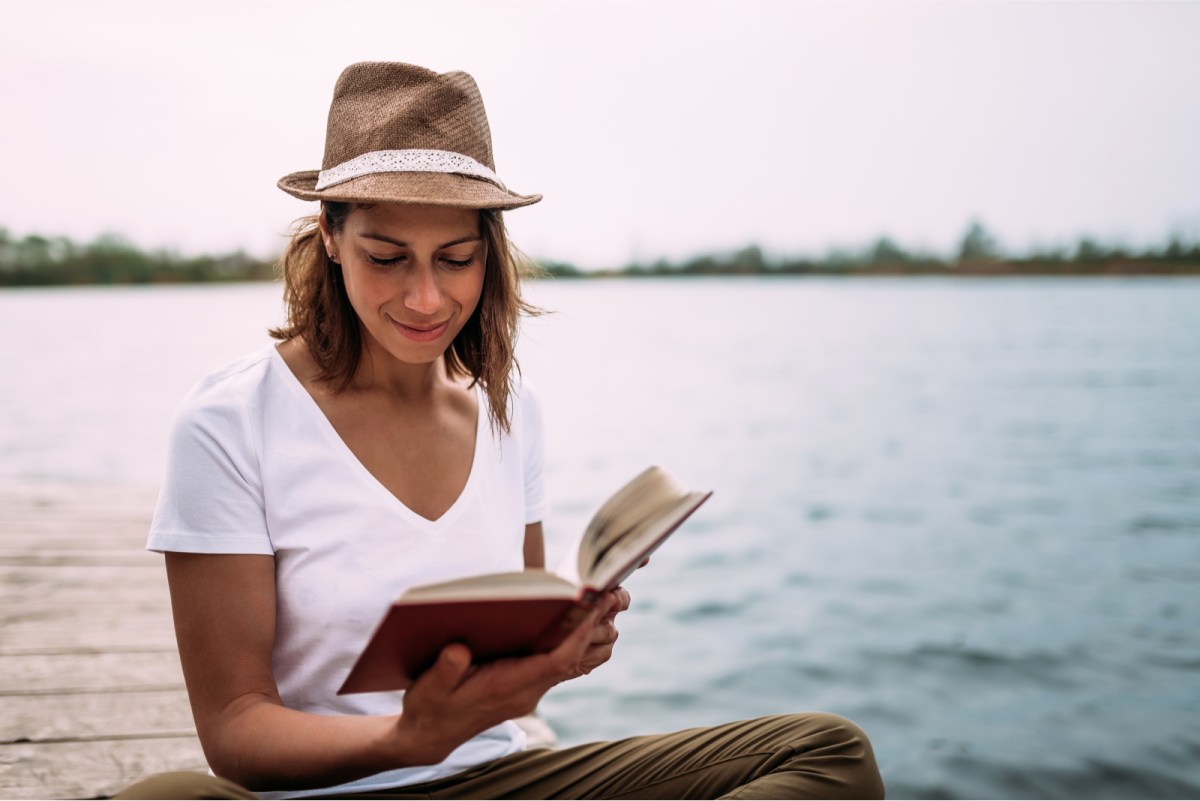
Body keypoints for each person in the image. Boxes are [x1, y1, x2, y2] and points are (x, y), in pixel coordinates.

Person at [116, 62, 884, 800]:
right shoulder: (231, 421)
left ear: (490, 251)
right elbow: (235, 731)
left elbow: (511, 652)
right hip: (342, 783)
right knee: (169, 794)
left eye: (456, 259)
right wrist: (401, 741)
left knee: (827, 752)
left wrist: (556, 657)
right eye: (387, 257)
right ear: (329, 233)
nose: (425, 297)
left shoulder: (506, 412)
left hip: (499, 779)